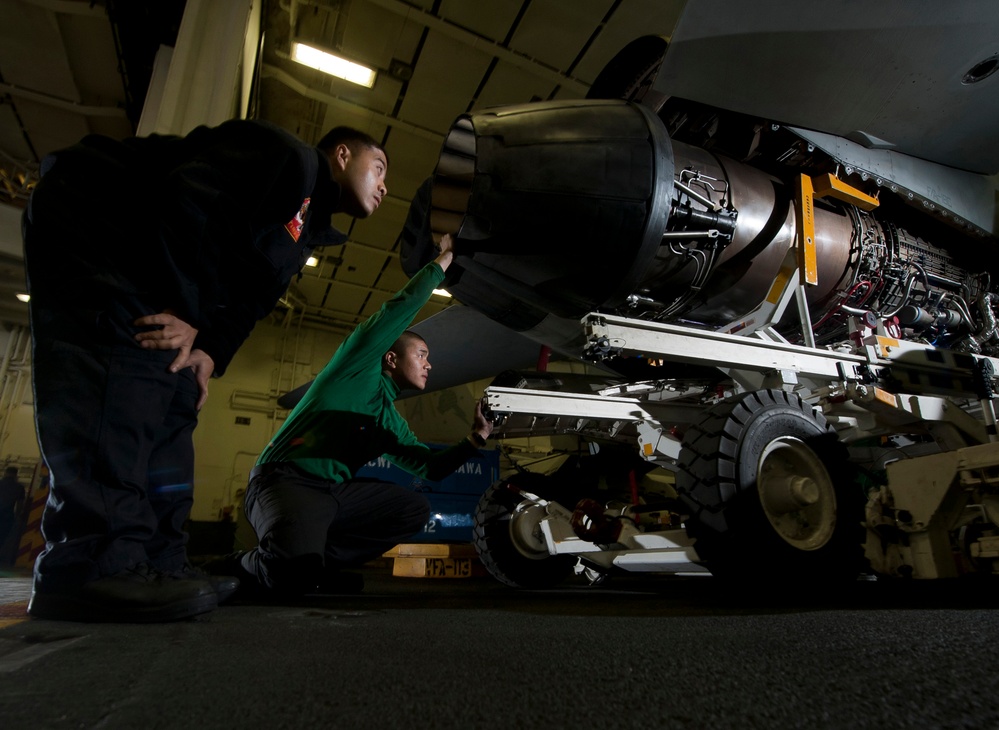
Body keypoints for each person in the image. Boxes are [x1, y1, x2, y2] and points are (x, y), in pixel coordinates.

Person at [22, 120, 389, 622]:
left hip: (158, 259)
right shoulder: (292, 161)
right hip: (99, 217)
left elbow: (251, 299)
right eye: (380, 166)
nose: (386, 185)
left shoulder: (306, 230)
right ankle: (89, 565)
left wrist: (209, 350)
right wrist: (183, 309)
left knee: (176, 397)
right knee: (127, 372)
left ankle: (161, 560)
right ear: (343, 155)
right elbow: (193, 201)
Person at [217, 233, 493, 598]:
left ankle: (317, 567)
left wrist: (477, 438)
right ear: (391, 358)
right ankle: (234, 567)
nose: (430, 364)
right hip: (283, 482)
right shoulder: (356, 368)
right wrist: (445, 258)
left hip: (332, 494)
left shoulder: (389, 421)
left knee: (411, 508)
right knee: (288, 577)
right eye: (422, 354)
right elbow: (399, 308)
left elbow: (430, 468)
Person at [0, 466, 26, 562]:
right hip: (7, 516)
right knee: (1, 537)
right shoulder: (19, 488)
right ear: (16, 475)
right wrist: (18, 517)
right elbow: (20, 505)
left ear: (5, 473)